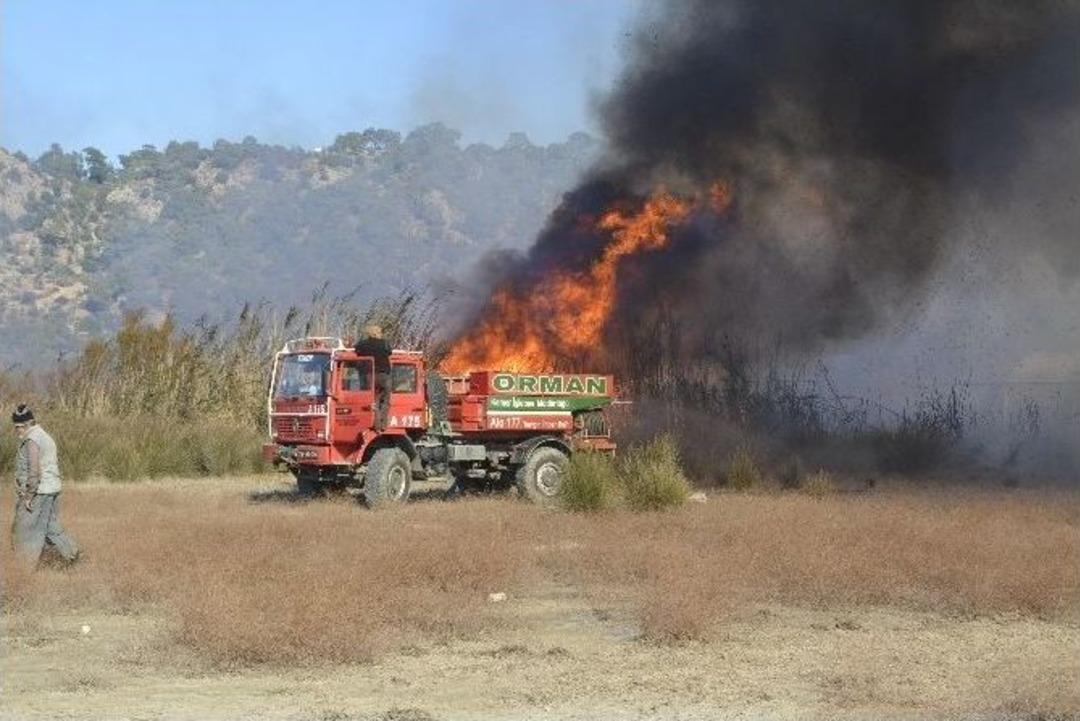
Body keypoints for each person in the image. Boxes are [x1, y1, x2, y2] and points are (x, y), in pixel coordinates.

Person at [11, 405, 80, 567]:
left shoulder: (32, 440)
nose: (17, 431)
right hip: (53, 488)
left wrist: (29, 496)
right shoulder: (45, 436)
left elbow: (34, 470)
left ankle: (23, 569)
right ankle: (73, 555)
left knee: (25, 531)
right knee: (50, 526)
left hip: (39, 492)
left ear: (26, 425)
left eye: (18, 427)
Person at [354, 323, 392, 431]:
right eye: (380, 332)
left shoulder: (362, 344)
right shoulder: (384, 343)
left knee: (373, 401)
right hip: (383, 376)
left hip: (369, 376)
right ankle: (383, 425)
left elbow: (356, 351)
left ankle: (375, 425)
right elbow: (390, 352)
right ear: (377, 333)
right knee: (385, 401)